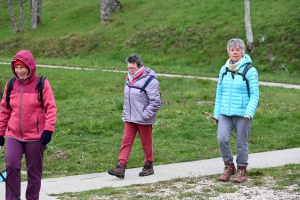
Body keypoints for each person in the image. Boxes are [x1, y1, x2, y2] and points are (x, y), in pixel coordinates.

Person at [0, 50, 57, 199]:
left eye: (22, 67)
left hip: (35, 136)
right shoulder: (11, 85)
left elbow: (51, 107)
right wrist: (0, 132)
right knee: (11, 166)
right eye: (16, 68)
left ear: (30, 67)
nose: (19, 71)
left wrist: (48, 129)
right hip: (13, 134)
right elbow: (4, 109)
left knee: (34, 172)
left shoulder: (41, 83)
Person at [213, 38, 260, 183]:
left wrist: (249, 113)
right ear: (228, 52)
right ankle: (229, 166)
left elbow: (255, 94)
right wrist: (216, 114)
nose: (235, 52)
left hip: (243, 114)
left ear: (242, 52)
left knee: (241, 143)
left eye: (238, 49)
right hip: (225, 113)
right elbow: (219, 93)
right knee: (222, 138)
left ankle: (241, 169)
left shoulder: (250, 70)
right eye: (232, 50)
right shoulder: (224, 69)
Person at [108, 53, 161, 179]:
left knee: (146, 143)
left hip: (144, 119)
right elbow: (127, 99)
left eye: (133, 68)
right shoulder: (128, 79)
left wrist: (145, 115)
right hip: (130, 118)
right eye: (129, 68)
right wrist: (125, 114)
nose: (130, 71)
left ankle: (148, 165)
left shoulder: (150, 81)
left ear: (140, 66)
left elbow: (155, 101)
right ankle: (121, 167)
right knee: (126, 141)